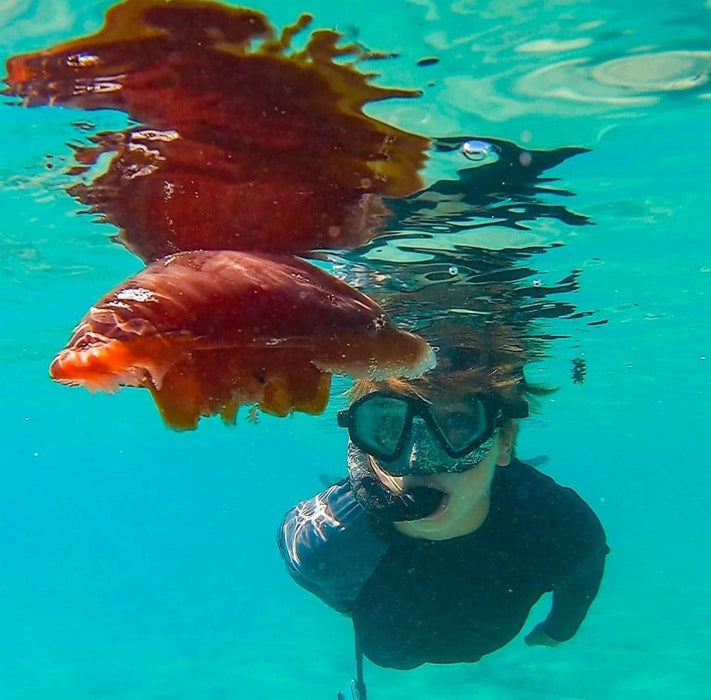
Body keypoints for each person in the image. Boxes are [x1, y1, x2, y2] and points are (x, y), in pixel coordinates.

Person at [277, 342, 608, 673]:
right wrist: (348, 599)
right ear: (362, 444)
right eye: (389, 426)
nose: (418, 461)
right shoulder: (326, 541)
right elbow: (304, 566)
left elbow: (585, 568)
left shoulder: (560, 524)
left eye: (459, 423)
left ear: (505, 440)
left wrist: (559, 630)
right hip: (393, 650)